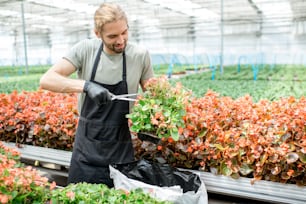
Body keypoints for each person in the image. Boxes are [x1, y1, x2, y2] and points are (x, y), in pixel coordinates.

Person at [39, 3, 154, 187]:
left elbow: (154, 96)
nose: (121, 40)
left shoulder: (139, 55)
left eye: (124, 32)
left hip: (120, 148)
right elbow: (47, 79)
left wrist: (153, 125)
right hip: (86, 150)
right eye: (112, 36)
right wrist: (86, 85)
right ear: (97, 34)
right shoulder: (85, 50)